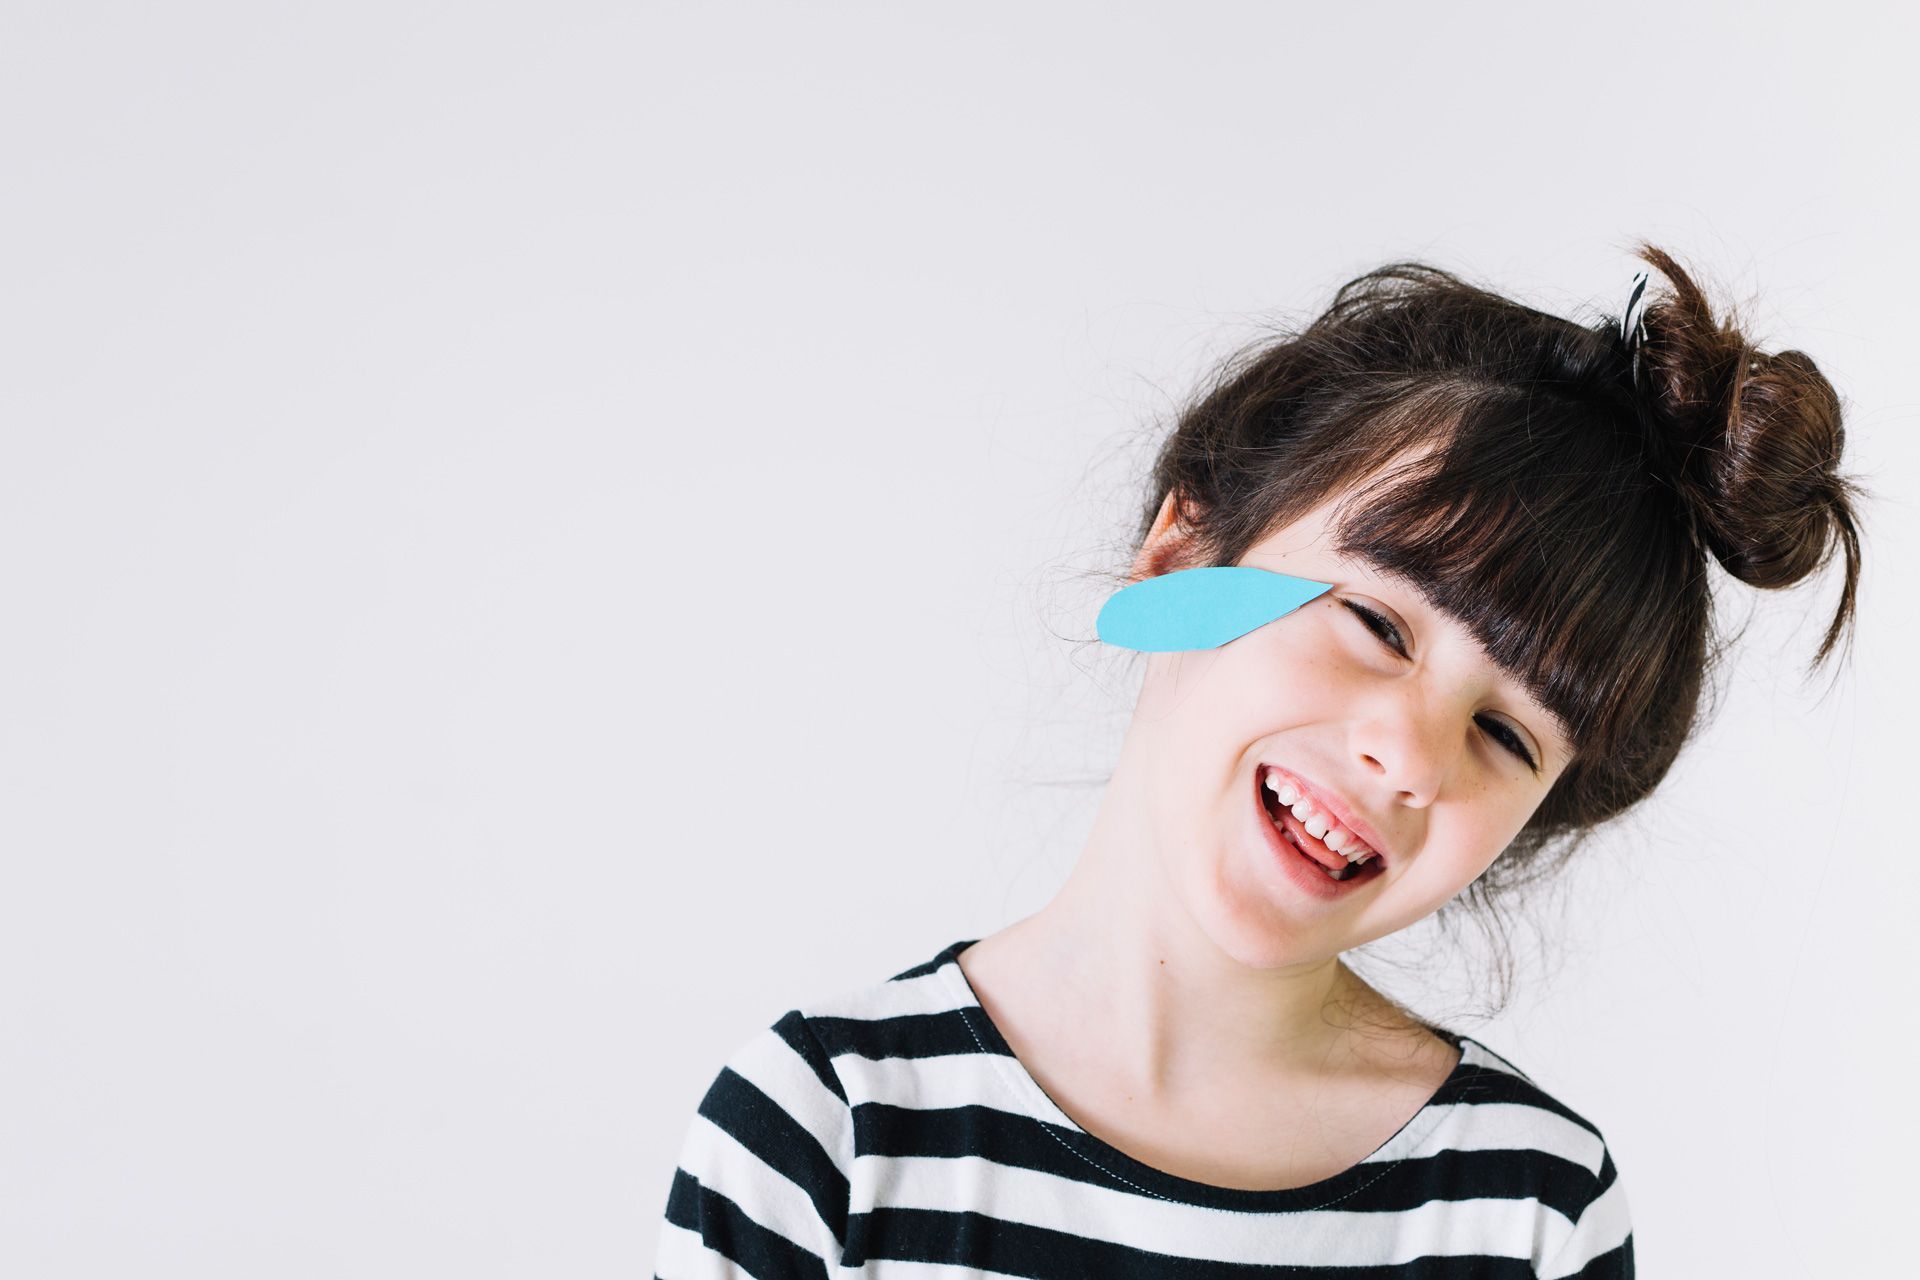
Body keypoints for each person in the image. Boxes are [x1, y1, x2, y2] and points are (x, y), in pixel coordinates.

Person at [648, 243, 1865, 1277]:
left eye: (1505, 733)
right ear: (1182, 553)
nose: (1407, 754)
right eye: (1378, 622)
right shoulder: (829, 1130)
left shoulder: (1530, 1206)